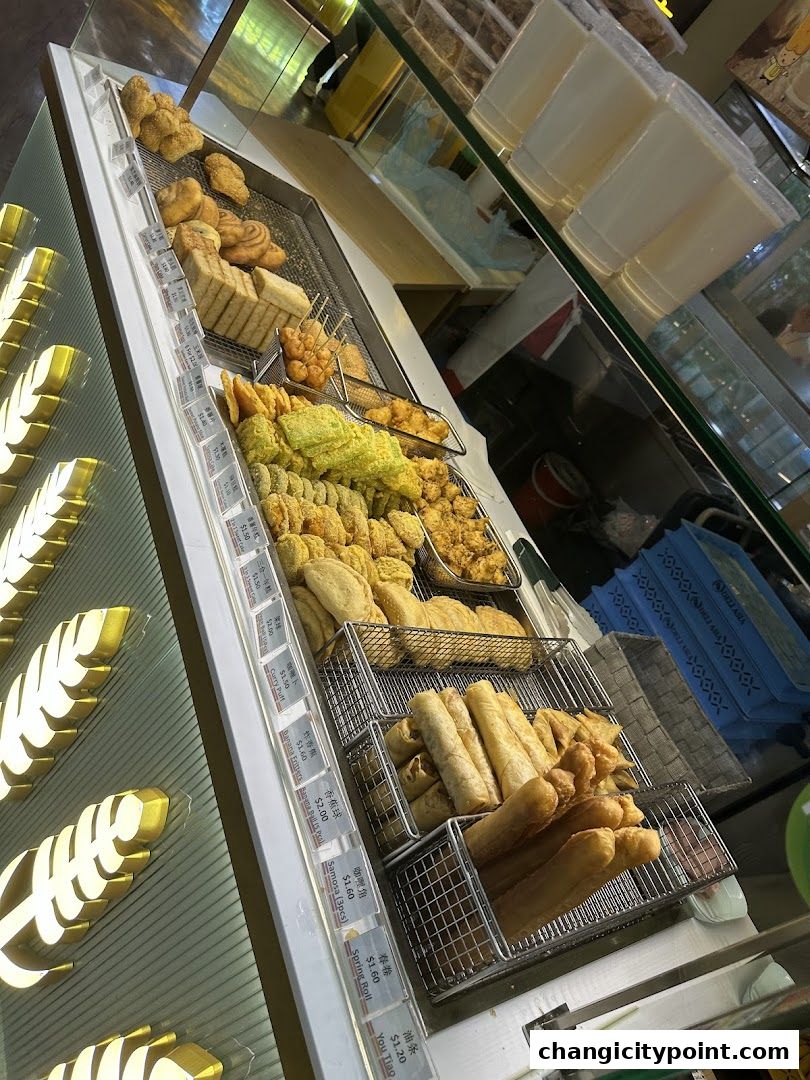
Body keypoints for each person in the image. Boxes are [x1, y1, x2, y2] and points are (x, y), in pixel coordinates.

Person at [300, 8, 375, 101]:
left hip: (381, 20)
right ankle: (312, 79)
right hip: (370, 11)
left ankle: (329, 87)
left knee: (357, 57)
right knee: (342, 43)